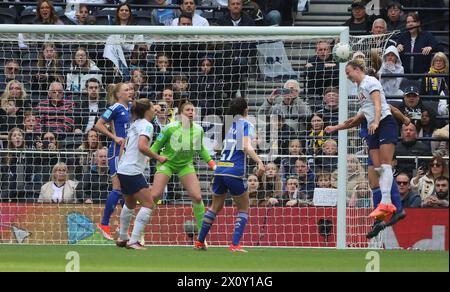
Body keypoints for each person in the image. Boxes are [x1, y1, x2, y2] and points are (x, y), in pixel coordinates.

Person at [195, 97, 265, 252]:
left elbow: (217, 147)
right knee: (243, 209)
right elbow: (246, 146)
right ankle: (234, 244)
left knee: (214, 207)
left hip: (220, 170)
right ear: (246, 109)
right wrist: (259, 161)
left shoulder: (226, 125)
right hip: (234, 171)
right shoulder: (247, 124)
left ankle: (200, 241)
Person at [149, 101, 217, 242]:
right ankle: (139, 233)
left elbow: (201, 150)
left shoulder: (198, 130)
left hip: (185, 165)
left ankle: (201, 238)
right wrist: (154, 158)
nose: (191, 112)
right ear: (180, 114)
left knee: (197, 197)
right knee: (155, 195)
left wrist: (213, 165)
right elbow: (155, 147)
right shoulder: (169, 128)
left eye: (192, 110)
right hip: (167, 163)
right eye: (187, 110)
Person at [342, 59, 399, 219]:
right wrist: (336, 128)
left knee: (386, 164)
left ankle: (386, 203)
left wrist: (376, 121)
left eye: (348, 72)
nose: (347, 76)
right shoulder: (360, 88)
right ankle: (385, 204)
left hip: (384, 122)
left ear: (357, 69)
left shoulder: (370, 81)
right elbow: (365, 110)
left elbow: (377, 104)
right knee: (378, 167)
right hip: (373, 126)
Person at [115, 99, 167, 250]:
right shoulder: (147, 125)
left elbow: (123, 145)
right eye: (152, 106)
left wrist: (120, 166)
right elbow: (142, 146)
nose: (154, 108)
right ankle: (134, 241)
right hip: (132, 170)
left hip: (123, 168)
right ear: (147, 111)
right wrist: (158, 157)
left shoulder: (134, 125)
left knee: (130, 204)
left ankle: (123, 237)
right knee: (149, 204)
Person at [94, 82, 134, 240]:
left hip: (129, 153)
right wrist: (115, 137)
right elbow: (98, 124)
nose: (130, 91)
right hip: (116, 152)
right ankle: (104, 224)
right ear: (119, 95)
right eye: (126, 90)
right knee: (118, 188)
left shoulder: (132, 107)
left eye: (131, 89)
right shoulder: (115, 108)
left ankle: (123, 228)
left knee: (127, 191)